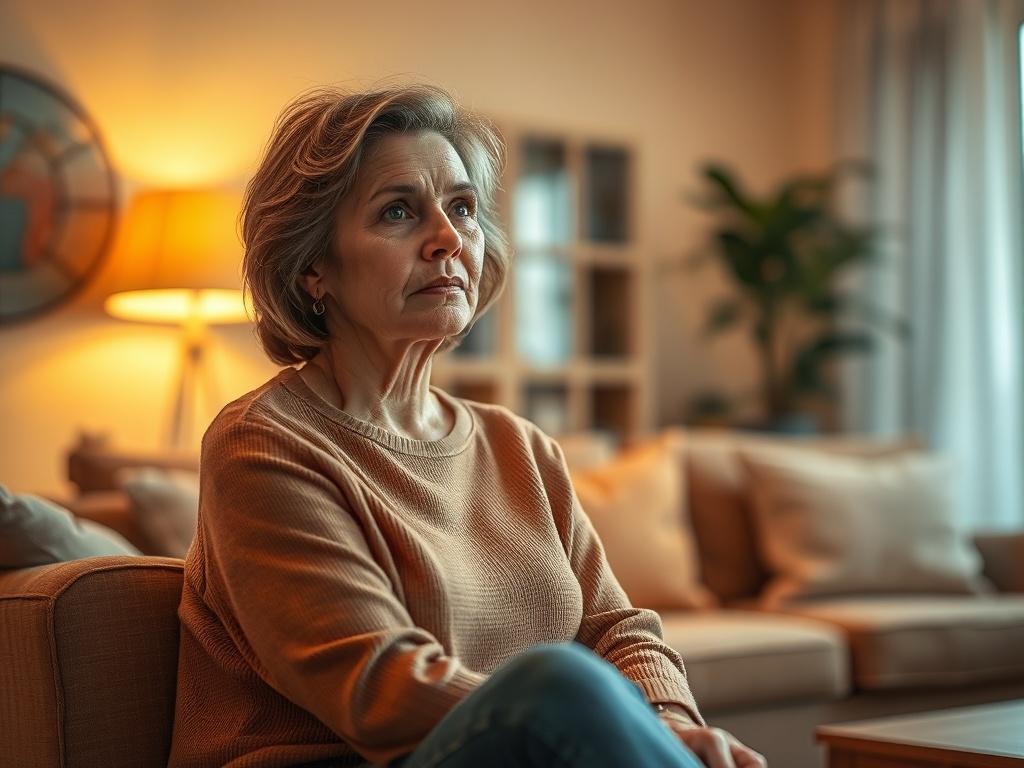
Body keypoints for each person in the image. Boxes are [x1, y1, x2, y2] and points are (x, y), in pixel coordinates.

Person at [167, 83, 767, 768]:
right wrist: (570, 712)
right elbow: (376, 686)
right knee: (557, 682)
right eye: (398, 212)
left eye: (462, 208)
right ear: (312, 268)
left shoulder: (519, 446)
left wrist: (666, 719)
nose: (449, 239)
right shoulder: (265, 444)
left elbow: (616, 627)